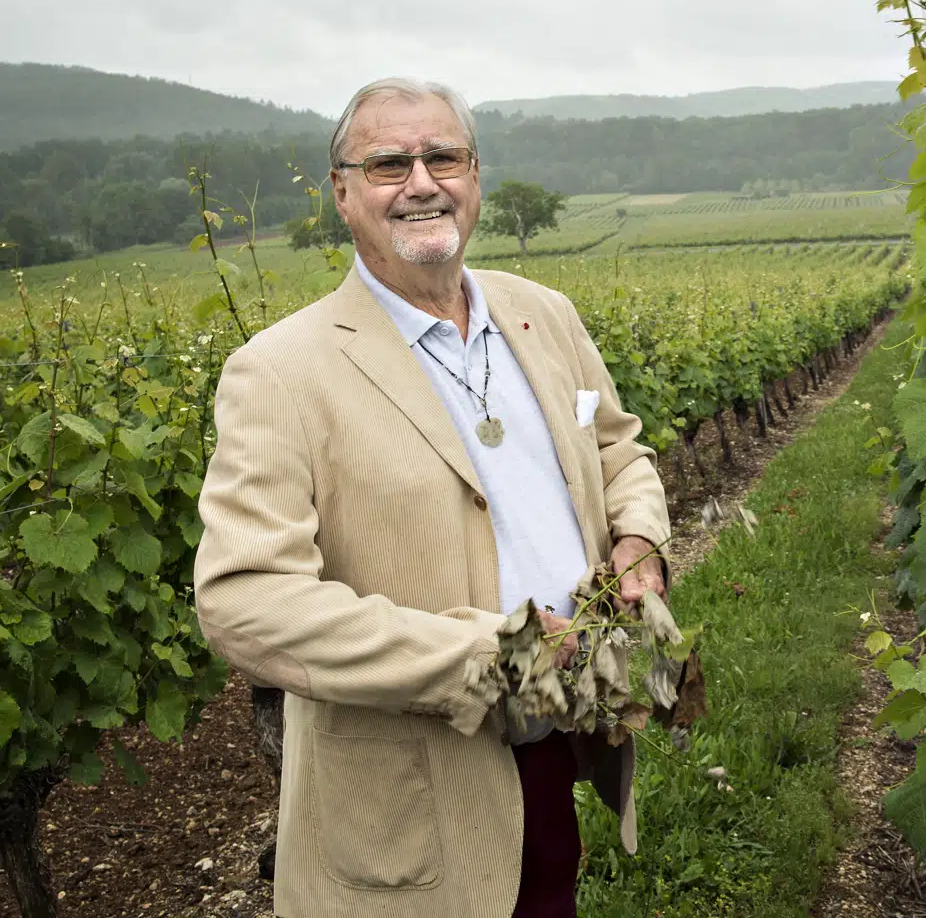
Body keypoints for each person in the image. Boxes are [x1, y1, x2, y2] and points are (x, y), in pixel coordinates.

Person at [194, 77, 670, 918]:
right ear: (342, 192)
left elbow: (617, 446)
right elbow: (244, 601)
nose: (421, 181)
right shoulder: (280, 371)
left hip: (559, 742)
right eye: (387, 163)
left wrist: (638, 541)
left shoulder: (543, 315)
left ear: (476, 176)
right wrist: (488, 657)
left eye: (442, 156)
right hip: (415, 790)